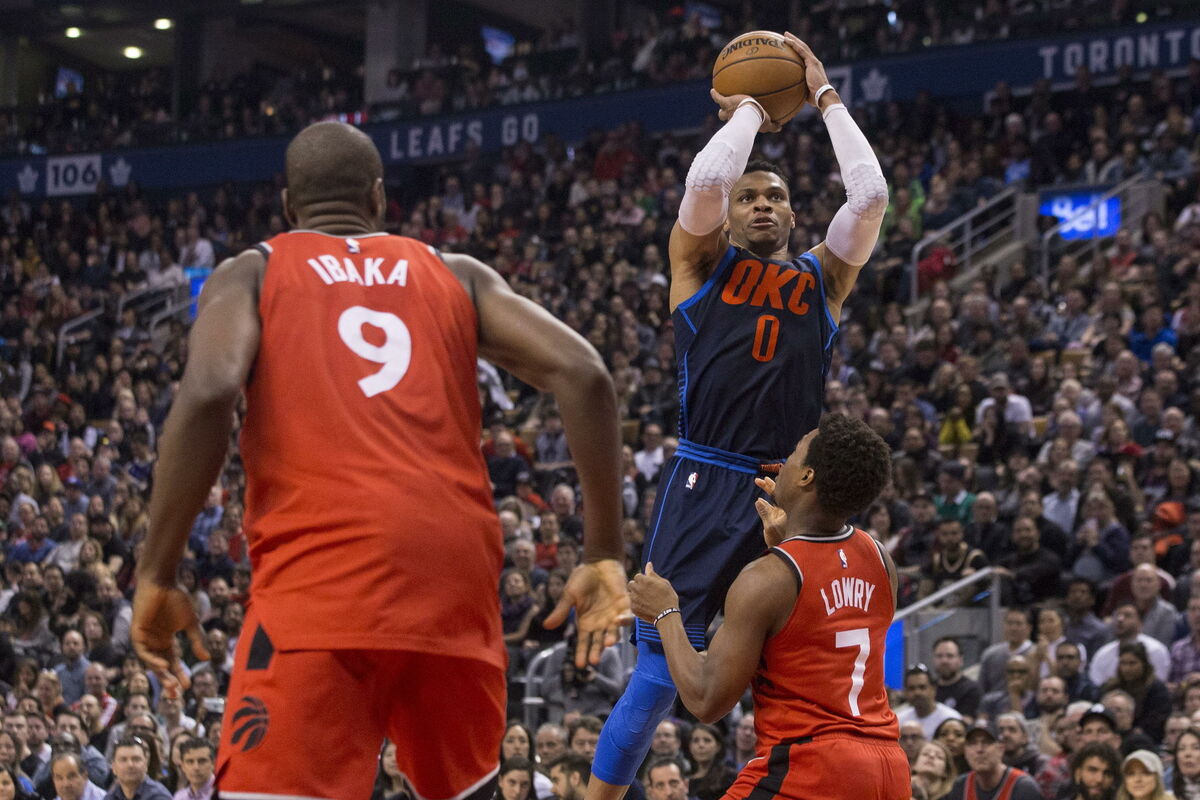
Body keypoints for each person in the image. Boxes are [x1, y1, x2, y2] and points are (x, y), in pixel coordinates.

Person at [130, 121, 632, 800]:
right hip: (452, 590)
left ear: (288, 206)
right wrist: (602, 553)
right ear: (377, 197)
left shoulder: (254, 270)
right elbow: (586, 374)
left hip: (320, 587)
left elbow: (212, 389)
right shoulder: (456, 273)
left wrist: (158, 571)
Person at [588, 34, 888, 800]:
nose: (761, 204)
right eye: (749, 195)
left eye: (776, 196)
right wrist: (752, 108)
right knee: (659, 678)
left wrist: (824, 96)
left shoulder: (824, 279)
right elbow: (703, 182)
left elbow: (869, 199)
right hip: (705, 478)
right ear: (729, 214)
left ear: (793, 213)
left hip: (791, 491)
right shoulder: (698, 265)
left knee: (791, 665)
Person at [626, 414, 909, 799]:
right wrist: (788, 538)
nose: (783, 460)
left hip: (811, 767)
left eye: (794, 454)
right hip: (888, 767)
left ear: (806, 477)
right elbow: (820, 632)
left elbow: (706, 701)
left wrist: (665, 613)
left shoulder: (769, 578)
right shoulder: (879, 558)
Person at [944, 725, 1041, 800]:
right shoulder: (960, 786)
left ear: (1001, 749)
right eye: (972, 743)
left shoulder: (1023, 787)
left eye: (986, 742)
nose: (979, 749)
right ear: (965, 751)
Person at [902, 665, 964, 738]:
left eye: (922, 687)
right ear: (905, 692)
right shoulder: (899, 721)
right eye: (911, 688)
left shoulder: (951, 718)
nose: (917, 693)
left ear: (933, 689)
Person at [105, 738, 171, 800]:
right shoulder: (111, 796)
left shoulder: (159, 796)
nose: (130, 765)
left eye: (136, 759)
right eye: (123, 760)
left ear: (146, 765)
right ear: (113, 767)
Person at [933, 637, 981, 722]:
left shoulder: (972, 690)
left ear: (960, 660)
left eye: (950, 656)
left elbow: (966, 721)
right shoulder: (928, 688)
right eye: (939, 656)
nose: (944, 661)